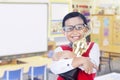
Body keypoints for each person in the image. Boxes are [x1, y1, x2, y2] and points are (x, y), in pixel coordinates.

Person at [50, 12, 100, 80]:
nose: (75, 32)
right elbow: (55, 69)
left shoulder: (93, 46)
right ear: (64, 32)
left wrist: (71, 55)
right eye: (69, 28)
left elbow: (92, 68)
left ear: (85, 29)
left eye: (79, 27)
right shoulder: (60, 49)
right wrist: (82, 60)